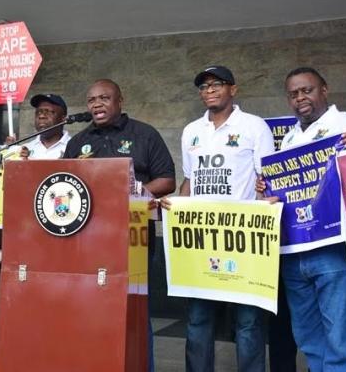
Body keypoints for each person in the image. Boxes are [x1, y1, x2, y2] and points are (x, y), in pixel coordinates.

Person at [63, 79, 176, 371]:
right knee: (90, 311)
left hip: (133, 239)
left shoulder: (144, 135)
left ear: (120, 100)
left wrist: (133, 198)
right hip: (87, 242)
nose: (97, 104)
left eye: (104, 98)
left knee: (134, 311)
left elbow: (167, 179)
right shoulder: (78, 142)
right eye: (91, 100)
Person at [269, 67, 346, 372]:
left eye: (307, 90)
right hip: (293, 252)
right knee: (308, 336)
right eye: (293, 93)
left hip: (333, 250)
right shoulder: (288, 139)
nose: (300, 98)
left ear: (324, 91)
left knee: (340, 336)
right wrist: (268, 189)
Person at [173, 66, 275, 372]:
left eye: (216, 84)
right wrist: (177, 205)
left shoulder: (254, 127)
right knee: (199, 319)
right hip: (201, 241)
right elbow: (189, 182)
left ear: (234, 89)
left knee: (248, 322)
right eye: (204, 87)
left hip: (243, 238)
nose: (209, 90)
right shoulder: (192, 130)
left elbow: (268, 179)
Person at [20, 94, 71, 159]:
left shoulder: (74, 147)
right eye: (38, 112)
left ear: (63, 118)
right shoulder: (25, 149)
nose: (41, 116)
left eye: (48, 112)